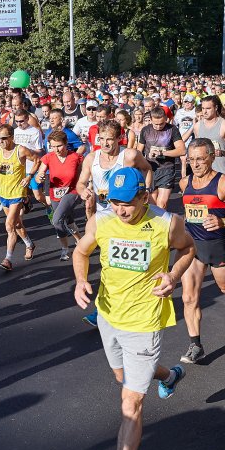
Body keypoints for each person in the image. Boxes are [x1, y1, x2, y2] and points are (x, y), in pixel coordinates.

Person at [72, 166, 195, 450]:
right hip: (108, 315)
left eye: (127, 202)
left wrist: (173, 274)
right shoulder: (102, 219)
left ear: (144, 195)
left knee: (130, 404)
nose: (121, 209)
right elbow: (81, 252)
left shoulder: (167, 223)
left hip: (144, 321)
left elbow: (188, 250)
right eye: (114, 201)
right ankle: (169, 374)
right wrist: (81, 280)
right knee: (121, 376)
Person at [178, 138, 225, 364]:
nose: (196, 164)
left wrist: (223, 222)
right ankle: (195, 344)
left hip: (218, 245)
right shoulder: (184, 183)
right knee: (189, 296)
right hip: (192, 246)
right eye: (191, 159)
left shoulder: (224, 183)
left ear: (212, 157)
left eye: (200, 159)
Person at [74, 120, 153, 327]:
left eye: (110, 139)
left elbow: (147, 169)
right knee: (107, 262)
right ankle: (105, 308)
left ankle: (113, 307)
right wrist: (84, 191)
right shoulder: (92, 158)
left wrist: (144, 194)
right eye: (102, 139)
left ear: (119, 138)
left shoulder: (128, 156)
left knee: (119, 264)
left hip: (127, 215)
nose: (106, 143)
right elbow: (81, 182)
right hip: (103, 215)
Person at [0, 124, 42, 270]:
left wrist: (29, 176)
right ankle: (29, 244)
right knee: (17, 225)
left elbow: (37, 160)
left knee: (9, 226)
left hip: (17, 193)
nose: (1, 141)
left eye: (4, 138)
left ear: (12, 137)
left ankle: (8, 259)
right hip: (4, 193)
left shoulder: (20, 150)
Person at [36, 130, 82, 260]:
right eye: (53, 146)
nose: (56, 149)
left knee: (56, 220)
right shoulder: (48, 157)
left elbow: (82, 175)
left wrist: (84, 187)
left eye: (59, 146)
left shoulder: (75, 157)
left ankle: (64, 249)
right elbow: (40, 174)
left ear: (66, 143)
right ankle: (79, 240)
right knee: (67, 219)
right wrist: (40, 178)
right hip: (54, 192)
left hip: (72, 191)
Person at [136, 107, 186, 209]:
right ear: (150, 119)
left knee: (162, 204)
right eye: (156, 124)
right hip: (150, 170)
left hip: (166, 169)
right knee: (151, 203)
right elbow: (138, 151)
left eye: (161, 124)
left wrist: (162, 152)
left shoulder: (172, 129)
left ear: (166, 119)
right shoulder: (145, 130)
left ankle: (162, 223)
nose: (159, 126)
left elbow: (182, 150)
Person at [191, 96, 225, 177]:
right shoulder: (197, 126)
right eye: (203, 108)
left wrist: (223, 152)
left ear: (216, 108)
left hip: (220, 173)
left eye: (208, 108)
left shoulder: (224, 125)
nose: (204, 112)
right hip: (202, 173)